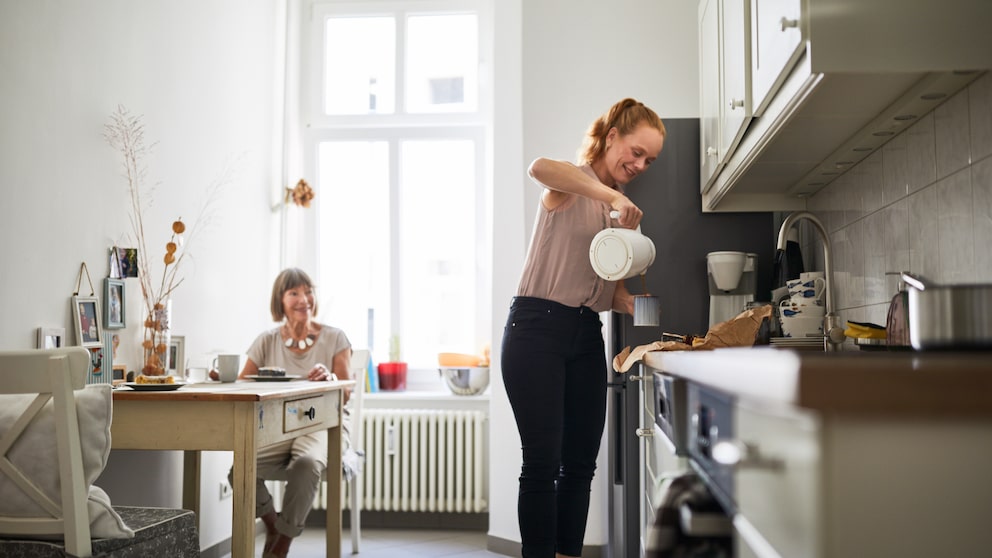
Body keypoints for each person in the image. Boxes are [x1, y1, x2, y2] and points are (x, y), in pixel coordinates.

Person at [501, 98, 666, 558]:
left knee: (579, 467)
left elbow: (590, 285)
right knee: (542, 464)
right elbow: (539, 168)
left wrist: (629, 302)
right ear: (611, 136)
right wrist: (610, 194)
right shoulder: (574, 185)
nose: (639, 164)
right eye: (635, 151)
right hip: (536, 330)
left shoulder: (612, 211)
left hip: (583, 333)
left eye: (648, 160)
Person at [232, 268, 354, 558]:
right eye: (294, 293)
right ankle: (274, 525)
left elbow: (347, 392)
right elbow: (242, 385)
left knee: (306, 465)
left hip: (324, 425)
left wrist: (331, 379)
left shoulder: (335, 338)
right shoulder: (267, 340)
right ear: (281, 300)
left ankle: (281, 546)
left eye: (308, 291)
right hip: (279, 427)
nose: (305, 299)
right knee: (240, 471)